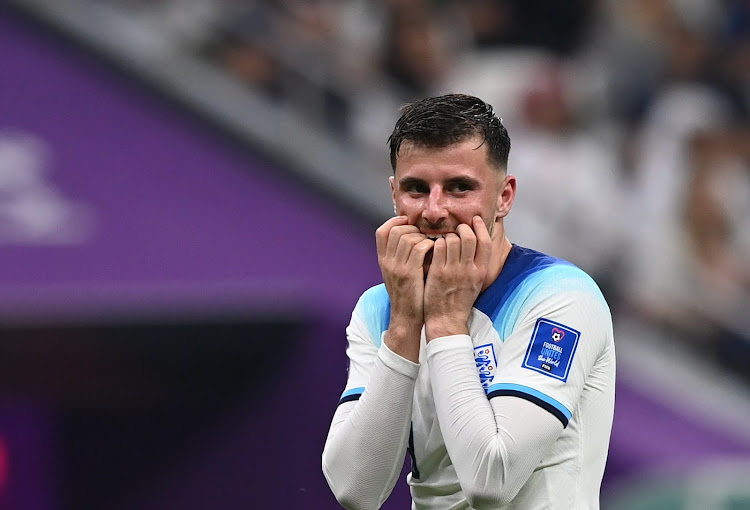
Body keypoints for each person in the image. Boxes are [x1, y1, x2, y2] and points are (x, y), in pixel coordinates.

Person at [322, 93, 615, 509]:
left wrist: (443, 322)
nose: (435, 210)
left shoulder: (560, 296)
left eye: (460, 187)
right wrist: (405, 324)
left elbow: (491, 481)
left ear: (504, 197)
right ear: (393, 195)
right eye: (416, 189)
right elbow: (356, 489)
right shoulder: (380, 309)